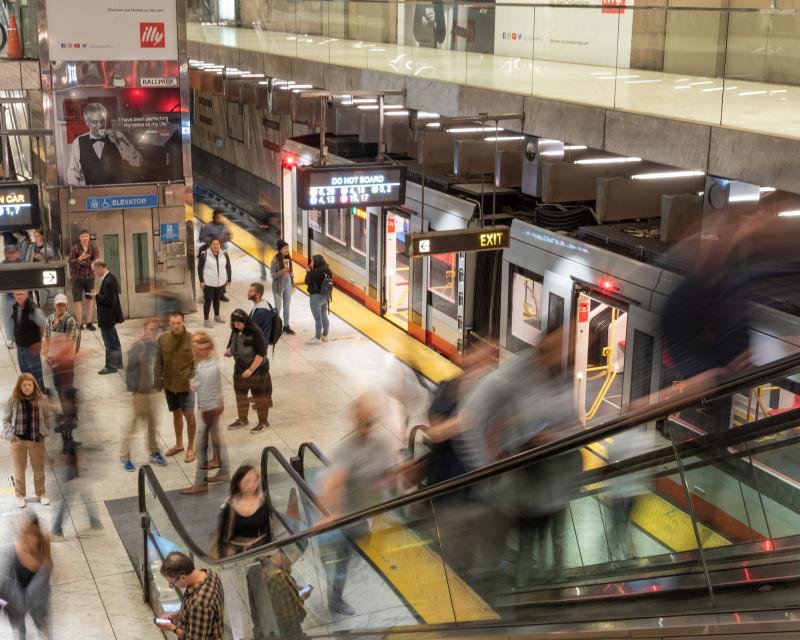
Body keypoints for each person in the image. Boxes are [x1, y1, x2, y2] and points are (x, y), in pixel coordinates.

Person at [318, 394, 396, 615]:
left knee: (352, 556)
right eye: (363, 420)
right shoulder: (346, 449)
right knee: (342, 561)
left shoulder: (381, 444)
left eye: (371, 420)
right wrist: (336, 514)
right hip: (347, 519)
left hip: (367, 516)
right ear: (355, 419)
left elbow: (388, 475)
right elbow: (332, 487)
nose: (367, 425)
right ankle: (335, 599)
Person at [181, 331, 227, 495]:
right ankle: (224, 471)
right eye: (195, 347)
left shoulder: (208, 366)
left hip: (209, 409)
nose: (197, 351)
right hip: (211, 407)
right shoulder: (209, 361)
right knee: (216, 440)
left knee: (201, 447)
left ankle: (200, 483)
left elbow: (205, 387)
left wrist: (207, 408)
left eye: (200, 348)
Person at [120, 318, 167, 471]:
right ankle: (124, 456)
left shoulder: (156, 346)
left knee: (152, 424)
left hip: (153, 392)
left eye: (156, 330)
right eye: (151, 329)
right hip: (140, 393)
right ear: (145, 329)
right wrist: (134, 391)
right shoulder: (138, 346)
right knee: (133, 425)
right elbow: (130, 371)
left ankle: (153, 452)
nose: (154, 332)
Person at [3, 373, 51, 509]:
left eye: (30, 384)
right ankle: (20, 496)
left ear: (34, 385)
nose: (27, 387)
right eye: (24, 385)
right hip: (18, 442)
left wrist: (44, 432)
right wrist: (11, 435)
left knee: (39, 470)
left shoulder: (42, 399)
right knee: (19, 471)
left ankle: (41, 494)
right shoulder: (13, 400)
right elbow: (6, 419)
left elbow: (48, 417)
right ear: (19, 387)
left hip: (37, 440)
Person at [0, 514, 51, 639]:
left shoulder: (43, 567)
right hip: (15, 609)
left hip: (36, 609)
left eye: (31, 534)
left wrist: (43, 621)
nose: (25, 537)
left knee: (42, 629)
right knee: (20, 631)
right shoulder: (11, 556)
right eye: (23, 533)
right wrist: (3, 604)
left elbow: (42, 597)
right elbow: (2, 589)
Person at [155, 311, 197, 463]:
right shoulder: (162, 339)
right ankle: (179, 444)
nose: (175, 326)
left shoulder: (192, 340)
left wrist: (194, 380)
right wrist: (157, 380)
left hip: (186, 386)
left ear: (183, 322)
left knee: (189, 415)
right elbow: (158, 361)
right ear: (169, 323)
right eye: (173, 323)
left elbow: (196, 363)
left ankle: (191, 447)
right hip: (169, 384)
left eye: (178, 323)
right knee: (176, 414)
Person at [66, 102, 142, 186]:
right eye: (95, 122)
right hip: (91, 194)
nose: (100, 126)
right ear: (87, 122)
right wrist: (77, 189)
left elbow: (137, 161)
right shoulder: (78, 142)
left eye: (102, 121)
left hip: (116, 192)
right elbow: (72, 171)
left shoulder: (117, 137)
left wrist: (119, 142)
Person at [156, 551, 224, 640]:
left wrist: (173, 628)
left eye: (172, 583)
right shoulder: (209, 574)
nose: (172, 586)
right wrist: (177, 615)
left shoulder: (199, 604)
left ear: (183, 578)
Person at [43, 293, 80, 452]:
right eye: (58, 305)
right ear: (54, 305)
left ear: (66, 306)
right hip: (55, 365)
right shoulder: (49, 320)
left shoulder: (70, 321)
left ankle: (68, 440)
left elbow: (70, 343)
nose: (60, 307)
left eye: (63, 305)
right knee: (62, 399)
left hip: (66, 365)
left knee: (67, 401)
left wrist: (55, 354)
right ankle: (67, 440)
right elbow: (46, 338)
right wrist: (46, 355)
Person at [225, 309, 272, 434]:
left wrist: (251, 369)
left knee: (259, 396)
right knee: (240, 395)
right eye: (234, 323)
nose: (236, 325)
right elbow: (231, 345)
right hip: (240, 368)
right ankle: (242, 420)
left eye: (239, 323)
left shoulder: (255, 332)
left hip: (258, 370)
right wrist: (229, 352)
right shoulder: (235, 330)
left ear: (245, 322)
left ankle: (263, 422)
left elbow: (261, 354)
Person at [215, 464, 272, 557]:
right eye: (247, 482)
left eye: (255, 480)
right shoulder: (230, 507)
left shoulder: (264, 500)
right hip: (239, 554)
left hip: (263, 551)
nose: (252, 485)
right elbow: (223, 538)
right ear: (238, 483)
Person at [88, 259, 124, 374]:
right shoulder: (110, 277)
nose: (94, 273)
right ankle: (117, 363)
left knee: (109, 343)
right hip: (109, 316)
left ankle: (111, 366)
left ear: (99, 268)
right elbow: (108, 296)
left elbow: (108, 300)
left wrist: (96, 296)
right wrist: (98, 293)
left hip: (107, 317)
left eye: (94, 270)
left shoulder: (108, 281)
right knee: (114, 341)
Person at [11, 291, 47, 395]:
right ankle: (29, 395)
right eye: (16, 294)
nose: (18, 297)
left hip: (31, 347)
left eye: (21, 294)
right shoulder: (15, 307)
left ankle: (40, 394)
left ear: (26, 294)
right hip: (20, 347)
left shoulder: (33, 310)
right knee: (25, 374)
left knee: (36, 374)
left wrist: (37, 340)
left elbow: (43, 324)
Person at [67, 230, 99, 330]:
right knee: (77, 301)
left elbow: (96, 263)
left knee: (90, 299)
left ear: (89, 237)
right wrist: (80, 259)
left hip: (90, 278)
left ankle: (89, 323)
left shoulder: (93, 248)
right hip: (77, 278)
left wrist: (81, 262)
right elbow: (70, 262)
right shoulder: (75, 248)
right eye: (83, 236)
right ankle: (79, 324)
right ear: (80, 238)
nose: (85, 238)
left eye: (86, 236)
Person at [199, 211, 232, 302]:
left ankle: (221, 294)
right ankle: (207, 293)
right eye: (218, 217)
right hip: (211, 252)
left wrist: (227, 237)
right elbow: (202, 237)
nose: (220, 219)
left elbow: (229, 235)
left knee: (222, 272)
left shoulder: (224, 225)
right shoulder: (208, 226)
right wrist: (214, 241)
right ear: (214, 217)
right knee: (210, 272)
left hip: (222, 252)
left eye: (221, 217)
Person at [198, 238, 231, 328]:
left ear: (220, 245)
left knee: (217, 300)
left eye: (217, 244)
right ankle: (206, 319)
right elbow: (200, 268)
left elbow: (228, 267)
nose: (216, 246)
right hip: (208, 282)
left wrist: (229, 279)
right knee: (208, 301)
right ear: (210, 245)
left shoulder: (224, 254)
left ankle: (217, 316)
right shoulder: (204, 254)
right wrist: (201, 281)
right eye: (214, 244)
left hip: (220, 282)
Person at [304, 254, 332, 345]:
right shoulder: (327, 271)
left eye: (312, 261)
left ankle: (317, 338)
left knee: (317, 319)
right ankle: (325, 335)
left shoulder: (315, 272)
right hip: (325, 296)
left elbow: (307, 281)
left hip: (315, 297)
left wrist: (308, 271)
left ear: (316, 262)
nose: (311, 262)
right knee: (324, 315)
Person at [26, 229, 56, 310]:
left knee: (43, 295)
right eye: (34, 236)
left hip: (44, 275)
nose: (36, 238)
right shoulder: (31, 247)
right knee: (36, 294)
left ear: (42, 236)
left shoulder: (48, 248)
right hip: (33, 273)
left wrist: (41, 258)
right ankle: (39, 308)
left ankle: (43, 309)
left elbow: (50, 263)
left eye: (37, 236)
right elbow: (27, 260)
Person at [270, 240, 295, 335]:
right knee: (278, 307)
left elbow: (291, 272)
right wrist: (283, 271)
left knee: (287, 307)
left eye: (287, 247)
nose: (287, 249)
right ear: (280, 249)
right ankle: (276, 327)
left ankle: (286, 325)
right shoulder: (275, 260)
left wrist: (293, 283)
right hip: (278, 287)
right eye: (285, 248)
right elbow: (272, 275)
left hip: (287, 285)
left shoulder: (288, 258)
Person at [2, 243, 22, 347]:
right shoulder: (3, 265)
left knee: (21, 319)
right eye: (9, 253)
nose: (11, 254)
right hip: (9, 297)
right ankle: (11, 339)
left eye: (13, 252)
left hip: (21, 296)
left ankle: (20, 338)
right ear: (6, 254)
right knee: (9, 319)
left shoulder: (22, 263)